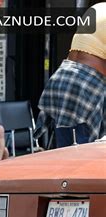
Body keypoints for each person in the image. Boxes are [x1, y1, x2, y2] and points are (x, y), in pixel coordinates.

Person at [35, 2, 105, 148]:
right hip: (85, 85)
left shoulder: (98, 8)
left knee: (63, 153)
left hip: (63, 77)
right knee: (82, 157)